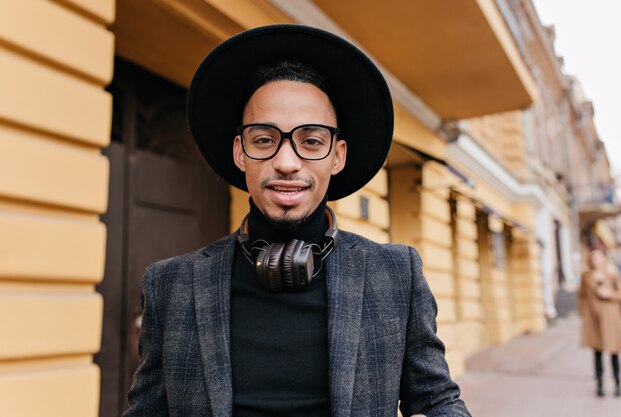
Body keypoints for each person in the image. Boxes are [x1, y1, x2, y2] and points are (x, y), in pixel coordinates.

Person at [123, 24, 471, 417]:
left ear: (337, 155)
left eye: (311, 141)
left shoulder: (396, 275)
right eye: (264, 139)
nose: (287, 163)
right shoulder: (170, 286)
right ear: (240, 152)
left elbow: (439, 400)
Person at [578, 247, 621, 397]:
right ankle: (599, 384)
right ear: (590, 260)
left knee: (614, 351)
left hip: (611, 316)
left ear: (604, 259)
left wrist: (609, 294)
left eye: (599, 258)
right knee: (597, 352)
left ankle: (617, 383)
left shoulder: (613, 273)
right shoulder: (585, 276)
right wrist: (584, 313)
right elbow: (581, 297)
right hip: (594, 318)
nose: (596, 261)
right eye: (593, 258)